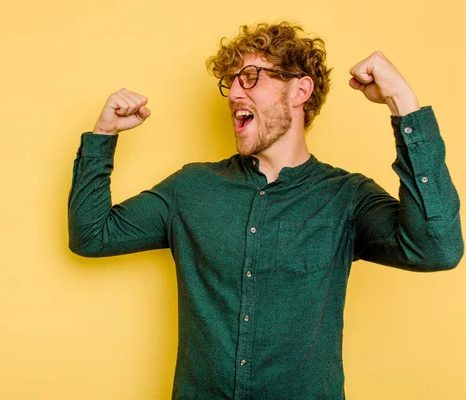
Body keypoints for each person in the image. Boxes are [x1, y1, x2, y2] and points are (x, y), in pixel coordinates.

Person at [68, 22, 463, 399]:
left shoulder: (347, 197)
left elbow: (436, 249)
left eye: (251, 77)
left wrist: (403, 103)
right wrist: (103, 136)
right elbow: (92, 235)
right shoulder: (190, 189)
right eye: (231, 82)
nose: (235, 93)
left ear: (300, 90)